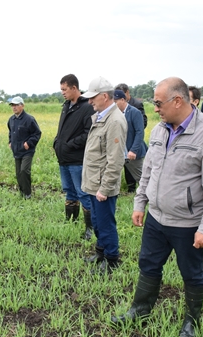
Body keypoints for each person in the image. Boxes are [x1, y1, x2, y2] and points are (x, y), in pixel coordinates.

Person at [111, 77, 203, 337]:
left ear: (178, 101)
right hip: (157, 218)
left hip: (188, 223)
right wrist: (140, 203)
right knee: (148, 264)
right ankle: (140, 309)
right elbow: (148, 172)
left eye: (158, 103)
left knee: (191, 272)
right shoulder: (159, 131)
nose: (155, 109)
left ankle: (192, 320)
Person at [81, 77, 127, 274]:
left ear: (105, 96)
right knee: (97, 222)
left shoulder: (115, 121)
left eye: (93, 97)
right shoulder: (101, 116)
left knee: (106, 223)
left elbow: (115, 159)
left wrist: (105, 188)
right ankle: (100, 253)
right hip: (93, 182)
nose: (90, 101)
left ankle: (111, 260)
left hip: (102, 186)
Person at [54, 74, 95, 239]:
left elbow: (89, 133)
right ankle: (71, 221)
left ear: (74, 88)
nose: (62, 92)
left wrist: (70, 144)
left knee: (83, 192)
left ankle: (90, 228)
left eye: (65, 89)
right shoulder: (66, 105)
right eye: (61, 89)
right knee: (69, 191)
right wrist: (58, 142)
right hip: (64, 158)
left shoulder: (86, 107)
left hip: (77, 159)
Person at [115, 83, 148, 192]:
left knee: (141, 177)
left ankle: (150, 196)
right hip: (120, 151)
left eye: (116, 102)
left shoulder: (134, 112)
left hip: (133, 151)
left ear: (123, 100)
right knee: (114, 176)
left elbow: (139, 132)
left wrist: (133, 150)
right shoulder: (115, 114)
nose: (114, 104)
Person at [7, 96, 42, 199]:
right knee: (18, 173)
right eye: (12, 105)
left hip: (27, 151)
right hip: (16, 150)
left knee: (24, 171)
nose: (14, 107)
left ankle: (28, 194)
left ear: (22, 106)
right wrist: (10, 142)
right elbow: (11, 132)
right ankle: (22, 193)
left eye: (16, 105)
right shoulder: (11, 120)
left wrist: (29, 143)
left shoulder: (29, 119)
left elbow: (37, 133)